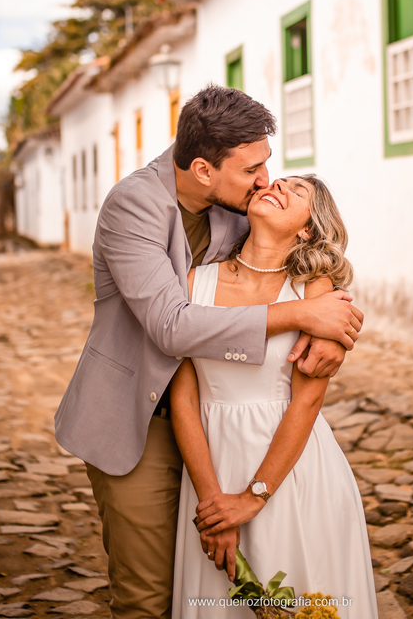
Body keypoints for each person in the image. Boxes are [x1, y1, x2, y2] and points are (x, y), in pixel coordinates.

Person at [52, 86, 364, 619]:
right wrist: (301, 318)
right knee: (150, 597)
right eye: (253, 171)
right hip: (141, 418)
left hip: (225, 435)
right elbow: (173, 327)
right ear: (203, 169)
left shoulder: (239, 205)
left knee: (231, 585)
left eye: (266, 166)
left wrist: (335, 329)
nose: (265, 181)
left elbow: (307, 257)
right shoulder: (133, 206)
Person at [170, 175, 376, 619]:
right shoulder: (193, 284)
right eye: (277, 180)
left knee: (301, 596)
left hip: (295, 473)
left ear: (307, 229)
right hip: (212, 463)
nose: (278, 185)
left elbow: (306, 401)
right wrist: (213, 505)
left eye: (297, 191)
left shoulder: (315, 291)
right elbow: (183, 400)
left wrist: (254, 496)